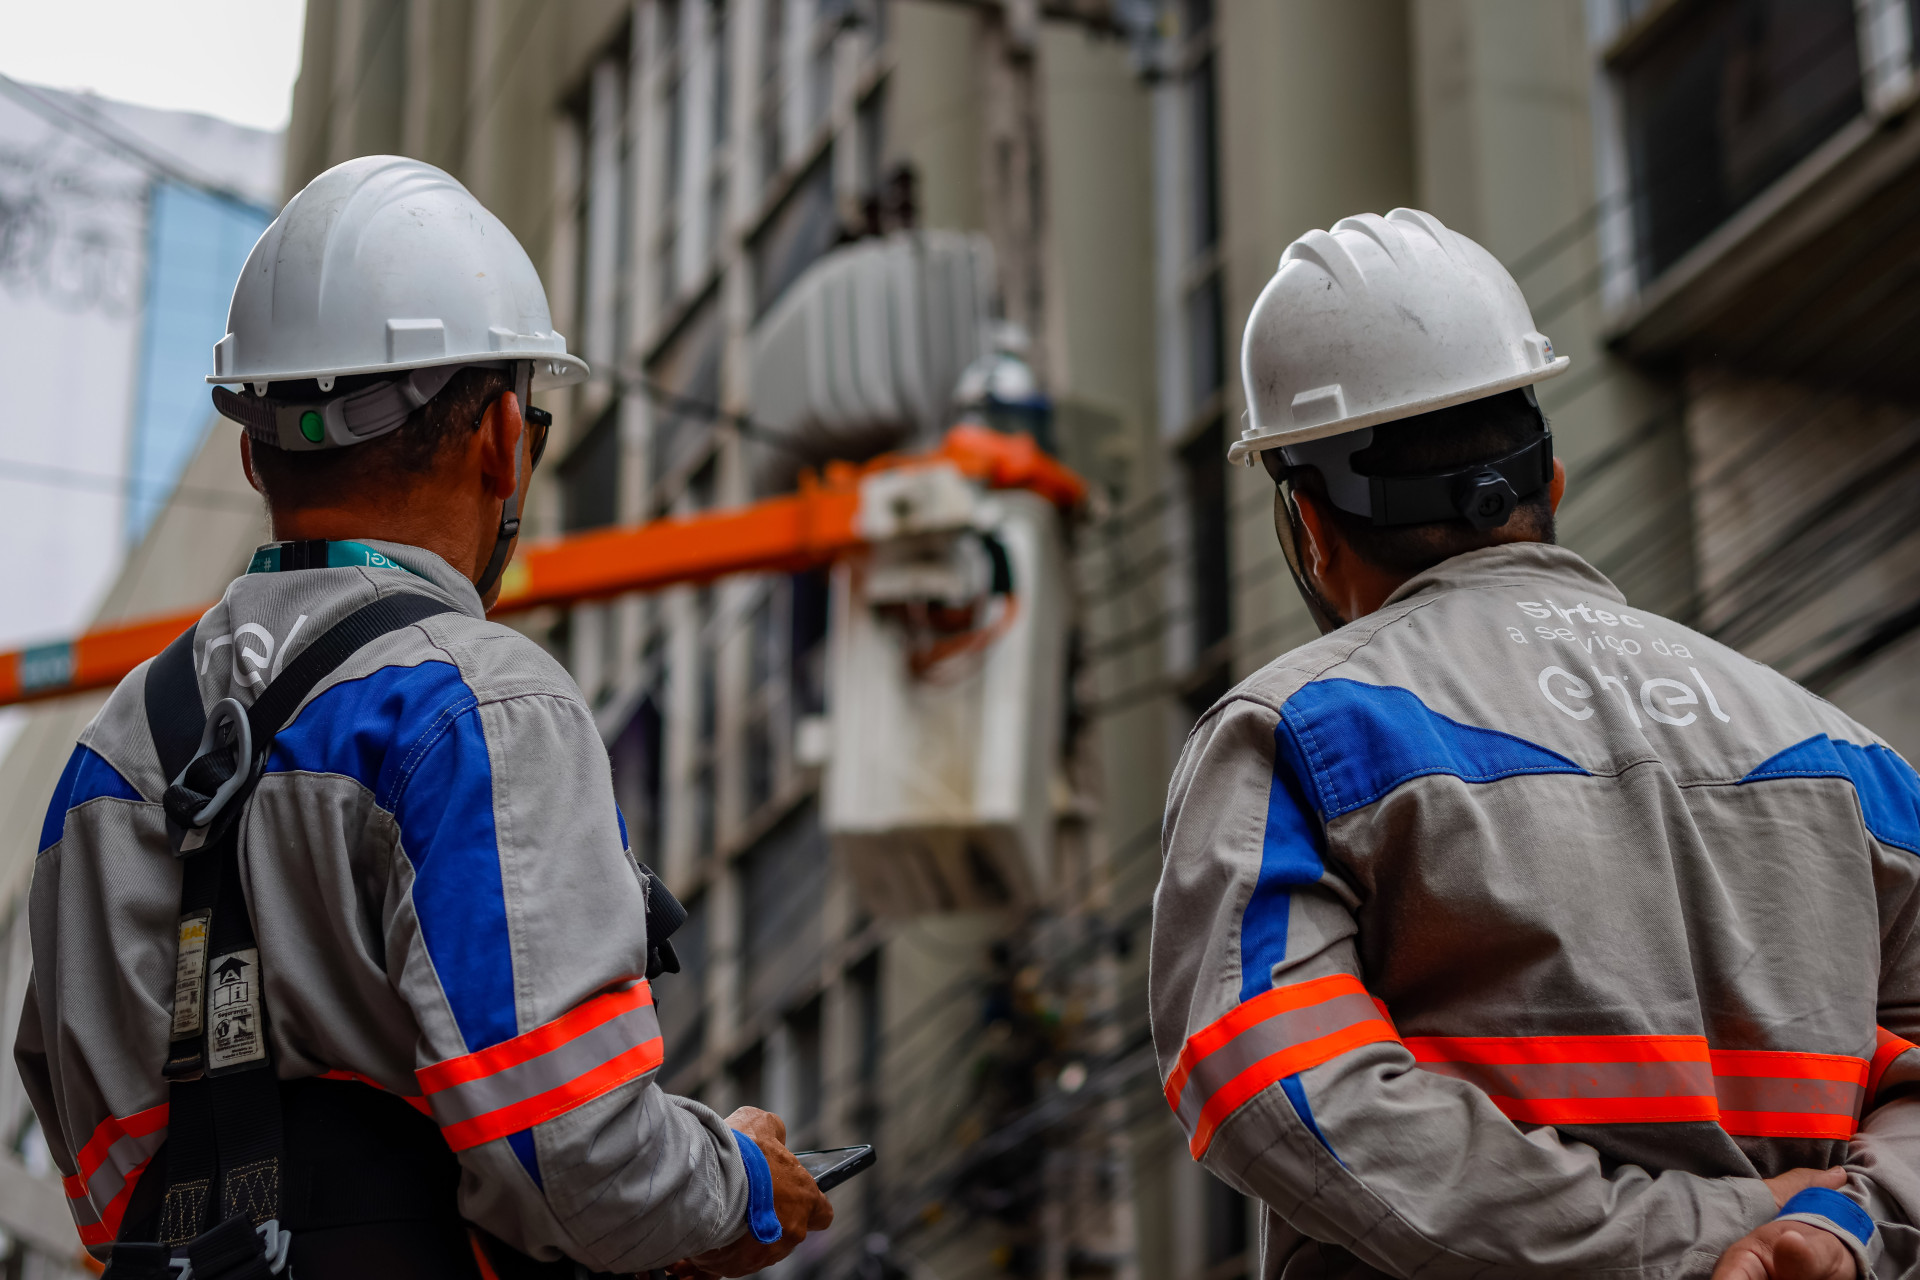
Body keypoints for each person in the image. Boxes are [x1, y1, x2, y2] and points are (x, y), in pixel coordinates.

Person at [17, 155, 831, 1277]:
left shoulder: (107, 764)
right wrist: (738, 1184)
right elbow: (576, 1150)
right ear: (504, 438)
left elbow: (106, 1183)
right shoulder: (478, 703)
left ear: (254, 451)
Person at [1148, 208, 1920, 1280]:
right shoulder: (1854, 759)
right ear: (1550, 486)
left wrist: (1690, 1232)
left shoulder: (1297, 732)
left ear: (1312, 530)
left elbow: (1269, 1083)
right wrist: (1842, 1223)